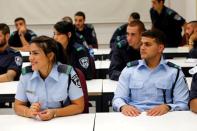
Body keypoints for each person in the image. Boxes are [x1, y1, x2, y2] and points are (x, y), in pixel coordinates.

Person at [113, 29, 189, 116]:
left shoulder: (174, 72)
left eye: (147, 44)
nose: (142, 47)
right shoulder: (129, 70)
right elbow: (118, 98)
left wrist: (168, 107)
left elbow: (183, 104)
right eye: (141, 44)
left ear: (160, 48)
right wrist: (124, 106)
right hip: (135, 117)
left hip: (164, 118)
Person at [14, 36, 84, 121]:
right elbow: (17, 106)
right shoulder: (26, 75)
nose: (30, 58)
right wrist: (28, 112)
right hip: (36, 124)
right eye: (30, 53)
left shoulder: (67, 74)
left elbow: (79, 106)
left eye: (35, 53)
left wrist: (55, 112)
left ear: (50, 56)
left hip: (63, 122)